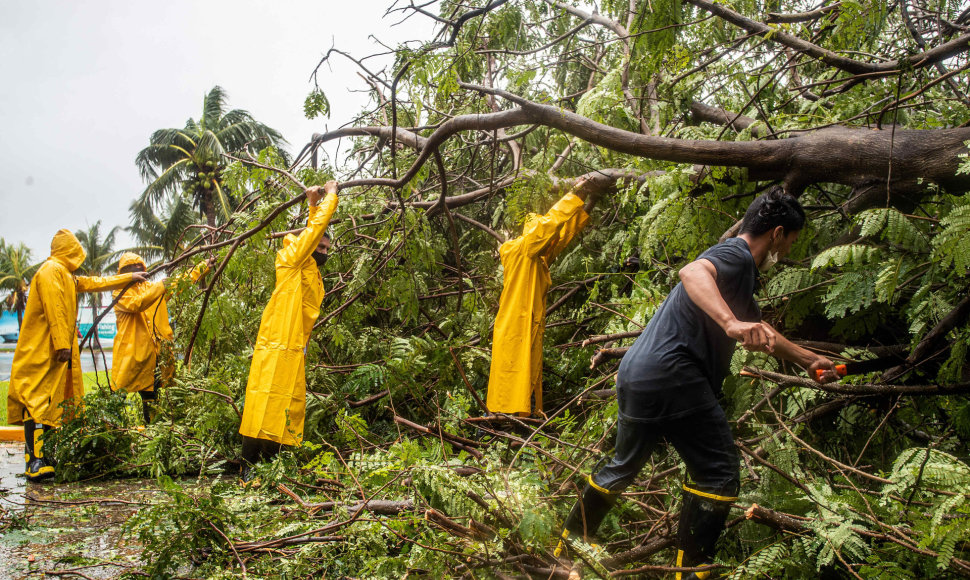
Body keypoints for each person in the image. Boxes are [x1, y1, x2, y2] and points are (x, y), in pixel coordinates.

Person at [556, 187, 839, 579]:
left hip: (640, 373)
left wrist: (809, 360)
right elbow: (692, 271)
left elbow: (763, 333)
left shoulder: (740, 278)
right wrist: (730, 323)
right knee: (718, 473)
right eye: (790, 240)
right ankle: (690, 573)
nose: (788, 250)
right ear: (777, 233)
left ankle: (567, 547)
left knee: (624, 465)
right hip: (676, 374)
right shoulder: (734, 255)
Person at [7, 229, 147, 482]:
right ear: (69, 251)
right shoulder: (51, 271)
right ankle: (35, 461)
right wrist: (63, 344)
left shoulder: (65, 274)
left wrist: (127, 279)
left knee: (51, 404)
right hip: (41, 351)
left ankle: (45, 458)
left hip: (50, 352)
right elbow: (56, 309)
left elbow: (94, 283)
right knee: (37, 402)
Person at [238, 180, 339, 480]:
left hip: (294, 348)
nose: (322, 250)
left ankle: (270, 471)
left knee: (285, 407)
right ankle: (247, 469)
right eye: (318, 245)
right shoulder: (292, 258)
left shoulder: (312, 271)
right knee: (262, 404)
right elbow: (312, 234)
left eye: (326, 248)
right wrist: (328, 199)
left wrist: (311, 206)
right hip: (275, 344)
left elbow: (313, 234)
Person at [486, 178, 600, 417]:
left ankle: (520, 415)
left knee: (525, 369)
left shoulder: (537, 258)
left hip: (525, 323)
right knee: (512, 370)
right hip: (514, 325)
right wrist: (575, 193)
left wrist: (590, 202)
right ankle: (504, 415)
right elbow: (549, 226)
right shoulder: (521, 248)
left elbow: (561, 236)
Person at [111, 253, 212, 423]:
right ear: (124, 272)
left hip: (156, 355)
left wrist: (203, 266)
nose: (137, 272)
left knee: (152, 397)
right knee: (118, 396)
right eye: (131, 269)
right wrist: (160, 287)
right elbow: (138, 303)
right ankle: (114, 432)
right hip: (131, 356)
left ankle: (152, 433)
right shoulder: (119, 293)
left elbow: (180, 283)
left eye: (139, 268)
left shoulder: (152, 288)